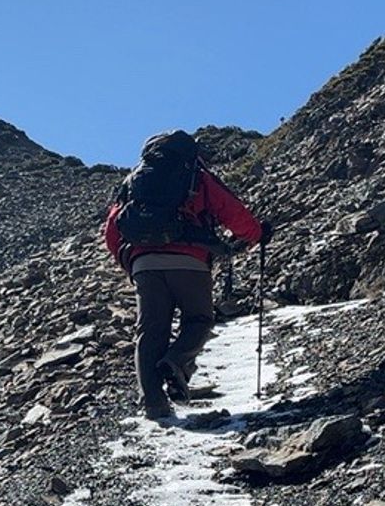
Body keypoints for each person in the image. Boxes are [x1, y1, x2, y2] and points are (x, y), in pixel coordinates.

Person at [103, 131, 270, 419]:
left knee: (151, 332)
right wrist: (256, 235)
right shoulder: (196, 176)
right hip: (190, 261)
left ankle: (154, 404)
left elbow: (112, 231)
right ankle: (175, 362)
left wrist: (132, 263)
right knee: (199, 319)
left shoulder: (133, 182)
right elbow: (231, 211)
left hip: (145, 265)